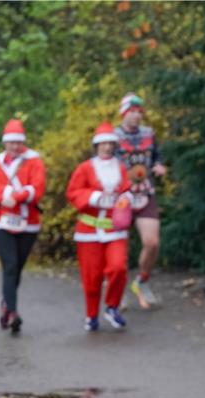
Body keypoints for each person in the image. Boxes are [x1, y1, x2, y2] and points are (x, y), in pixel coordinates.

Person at [0, 118, 46, 333]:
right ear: (5, 143)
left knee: (17, 269)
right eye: (11, 142)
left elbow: (38, 188)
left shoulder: (34, 161)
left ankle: (6, 305)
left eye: (18, 142)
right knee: (10, 265)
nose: (15, 147)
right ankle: (14, 312)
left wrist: (15, 196)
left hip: (28, 222)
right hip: (1, 222)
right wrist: (3, 195)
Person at [66, 122, 133, 331]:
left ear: (114, 145)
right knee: (91, 276)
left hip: (115, 229)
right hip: (89, 231)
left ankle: (112, 307)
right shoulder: (85, 168)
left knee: (118, 268)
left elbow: (127, 190)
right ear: (96, 146)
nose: (106, 147)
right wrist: (94, 197)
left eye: (109, 143)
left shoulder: (120, 167)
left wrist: (126, 198)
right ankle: (91, 314)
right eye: (102, 143)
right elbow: (73, 192)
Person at [116, 93, 166, 310]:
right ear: (124, 113)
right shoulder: (112, 136)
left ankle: (141, 281)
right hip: (120, 197)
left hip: (145, 193)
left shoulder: (149, 134)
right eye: (132, 112)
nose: (137, 116)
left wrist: (160, 166)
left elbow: (157, 156)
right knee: (118, 246)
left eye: (139, 112)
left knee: (152, 242)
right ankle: (116, 290)